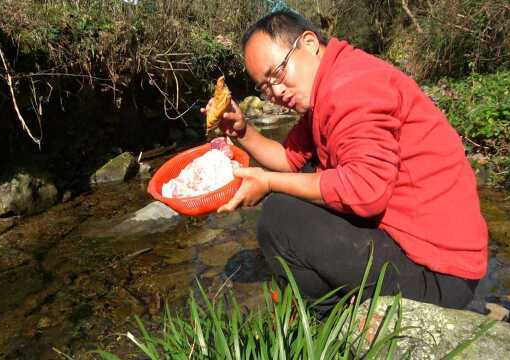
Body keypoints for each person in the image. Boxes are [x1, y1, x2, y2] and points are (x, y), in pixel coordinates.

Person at [201, 10, 487, 310]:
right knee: (307, 177)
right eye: (264, 87)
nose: (275, 92)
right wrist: (241, 130)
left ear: (309, 43)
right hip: (415, 248)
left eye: (277, 73)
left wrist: (269, 183)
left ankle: (331, 322)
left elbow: (366, 191)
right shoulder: (327, 86)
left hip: (440, 275)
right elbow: (288, 160)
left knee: (279, 219)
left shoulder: (352, 87)